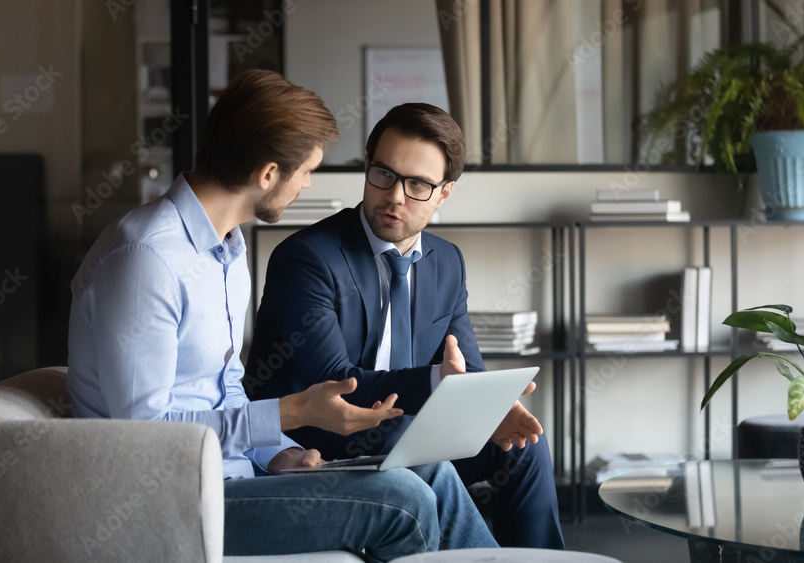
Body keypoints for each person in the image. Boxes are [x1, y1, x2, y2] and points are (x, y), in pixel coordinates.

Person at [66, 70, 497, 561]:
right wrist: (293, 412)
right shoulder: (147, 259)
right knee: (405, 500)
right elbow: (145, 435)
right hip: (172, 501)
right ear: (268, 174)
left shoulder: (224, 251)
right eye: (306, 170)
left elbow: (225, 388)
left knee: (430, 470)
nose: (308, 183)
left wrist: (277, 453)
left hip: (233, 476)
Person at [246, 102, 565, 550]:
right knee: (403, 435)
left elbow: (465, 365)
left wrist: (489, 407)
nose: (395, 195)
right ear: (367, 168)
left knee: (523, 445)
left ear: (444, 193)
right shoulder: (308, 258)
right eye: (384, 174)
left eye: (417, 184)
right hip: (318, 435)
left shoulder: (447, 262)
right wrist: (439, 382)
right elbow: (336, 386)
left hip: (404, 427)